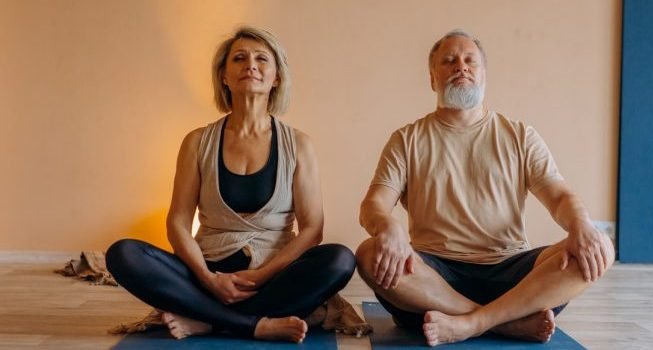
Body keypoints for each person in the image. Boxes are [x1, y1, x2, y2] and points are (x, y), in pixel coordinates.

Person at [355, 29, 615, 346]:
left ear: (484, 75)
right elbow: (373, 205)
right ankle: (505, 322)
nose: (460, 67)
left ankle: (473, 322)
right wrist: (388, 227)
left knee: (601, 246)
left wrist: (581, 224)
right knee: (368, 253)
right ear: (432, 79)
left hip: (511, 275)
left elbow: (559, 197)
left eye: (470, 61)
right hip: (435, 279)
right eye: (449, 61)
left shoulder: (520, 136)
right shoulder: (406, 140)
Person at [105, 27, 355, 343]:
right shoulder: (197, 141)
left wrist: (259, 276)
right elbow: (178, 222)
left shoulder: (299, 145)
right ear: (224, 76)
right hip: (207, 272)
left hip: (273, 277)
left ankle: (207, 321)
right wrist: (208, 279)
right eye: (239, 58)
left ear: (276, 77)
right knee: (123, 254)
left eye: (261, 59)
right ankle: (254, 324)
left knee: (340, 259)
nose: (250, 65)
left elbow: (312, 229)